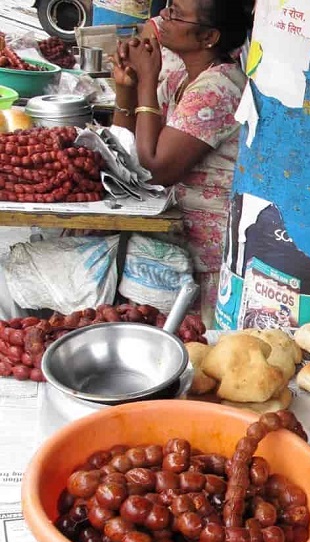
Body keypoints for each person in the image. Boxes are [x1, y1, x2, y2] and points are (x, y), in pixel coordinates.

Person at [111, 0, 254, 324]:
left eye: (175, 14)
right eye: (168, 8)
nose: (162, 18)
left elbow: (156, 168)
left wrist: (147, 80)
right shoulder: (182, 79)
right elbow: (125, 149)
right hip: (179, 237)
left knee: (195, 348)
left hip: (209, 253)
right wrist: (126, 89)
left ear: (208, 37)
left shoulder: (219, 88)